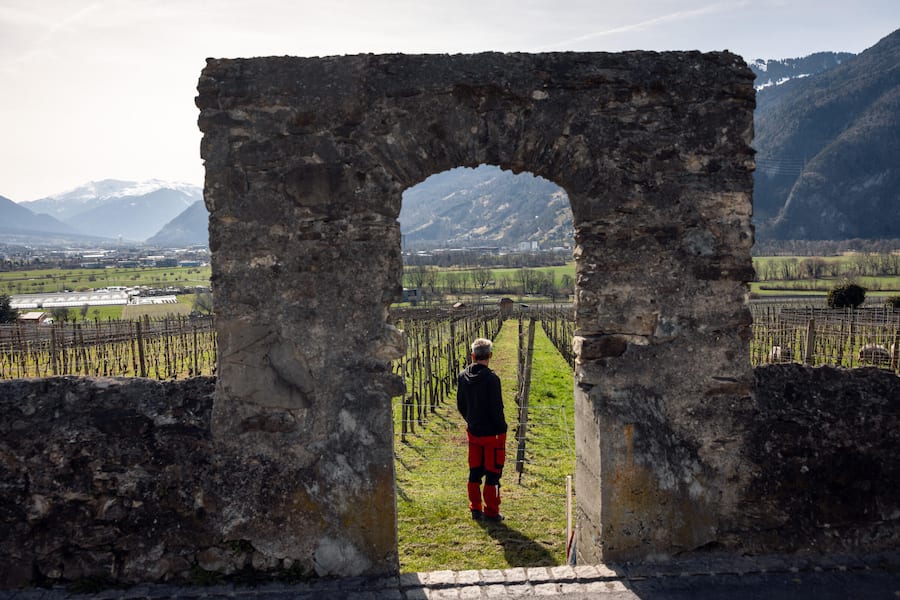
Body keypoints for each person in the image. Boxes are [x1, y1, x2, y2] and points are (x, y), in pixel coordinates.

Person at [457, 337, 507, 522]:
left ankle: (475, 509)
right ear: (490, 355)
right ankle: (492, 512)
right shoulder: (492, 379)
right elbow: (497, 408)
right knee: (493, 472)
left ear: (472, 356)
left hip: (474, 432)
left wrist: (471, 421)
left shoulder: (462, 376)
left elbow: (461, 405)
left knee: (475, 470)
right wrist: (502, 428)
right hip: (493, 434)